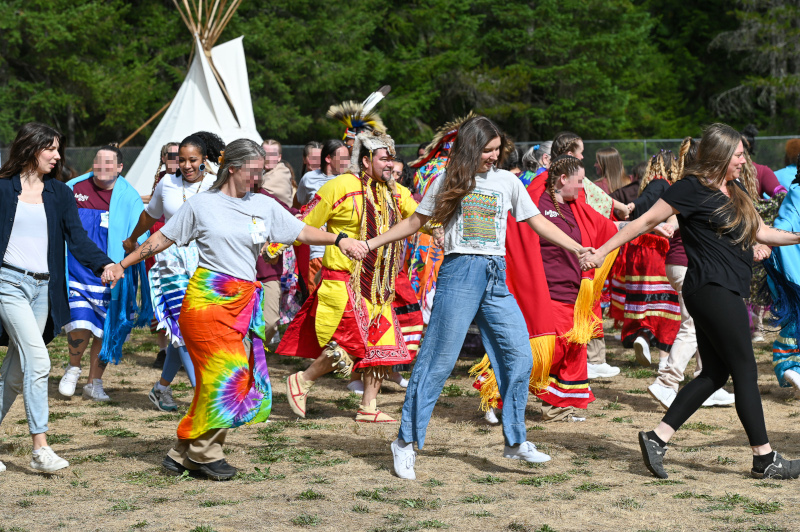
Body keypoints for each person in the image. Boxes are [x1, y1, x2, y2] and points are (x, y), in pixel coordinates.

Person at [103, 138, 363, 480]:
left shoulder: (264, 206)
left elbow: (301, 231)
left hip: (242, 303)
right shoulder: (201, 206)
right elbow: (159, 239)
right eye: (253, 171)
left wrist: (340, 239)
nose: (257, 178)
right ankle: (205, 454)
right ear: (233, 168)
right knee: (229, 378)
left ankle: (181, 452)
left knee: (220, 380)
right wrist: (123, 264)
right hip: (207, 302)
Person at [361, 116, 591, 479]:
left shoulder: (507, 181)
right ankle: (405, 442)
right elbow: (414, 222)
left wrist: (577, 248)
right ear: (471, 147)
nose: (494, 157)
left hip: (496, 276)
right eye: (487, 150)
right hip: (459, 273)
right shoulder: (449, 180)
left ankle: (515, 442)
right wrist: (371, 244)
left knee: (519, 356)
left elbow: (537, 222)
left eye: (498, 150)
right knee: (437, 362)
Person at [582, 123, 800, 480]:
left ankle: (657, 438)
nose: (745, 159)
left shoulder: (738, 188)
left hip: (727, 289)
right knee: (745, 369)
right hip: (710, 289)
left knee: (716, 373)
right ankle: (765, 458)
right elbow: (642, 222)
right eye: (739, 154)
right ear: (720, 156)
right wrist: (600, 252)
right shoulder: (689, 189)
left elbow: (762, 232)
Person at [277, 131, 417, 422]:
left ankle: (368, 407)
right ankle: (302, 380)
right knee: (353, 344)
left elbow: (421, 217)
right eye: (384, 158)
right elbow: (305, 220)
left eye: (392, 158)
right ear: (365, 161)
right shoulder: (340, 186)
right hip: (343, 281)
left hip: (380, 285)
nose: (390, 164)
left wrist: (440, 224)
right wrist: (275, 244)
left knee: (382, 344)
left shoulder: (394, 192)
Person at [0, 122, 115, 473]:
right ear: (30, 148)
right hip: (7, 284)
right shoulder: (3, 189)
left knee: (17, 373)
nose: (56, 155)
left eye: (58, 149)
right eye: (49, 148)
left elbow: (77, 239)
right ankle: (40, 449)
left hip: (42, 290)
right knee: (39, 363)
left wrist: (104, 264)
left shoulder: (60, 193)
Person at [123, 132, 223, 411]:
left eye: (193, 160)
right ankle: (203, 395)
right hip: (171, 262)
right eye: (182, 160)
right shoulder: (166, 183)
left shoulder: (217, 185)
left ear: (205, 160)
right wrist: (133, 240)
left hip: (205, 262)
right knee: (183, 330)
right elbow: (150, 215)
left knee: (192, 331)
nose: (187, 165)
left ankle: (160, 388)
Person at [645, 137, 734, 409]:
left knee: (704, 324)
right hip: (687, 264)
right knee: (692, 325)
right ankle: (666, 382)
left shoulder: (690, 187)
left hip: (680, 263)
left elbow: (673, 219)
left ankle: (707, 380)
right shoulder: (698, 189)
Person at [58, 145, 151, 402]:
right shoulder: (73, 188)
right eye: (98, 162)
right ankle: (73, 368)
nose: (102, 167)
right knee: (79, 321)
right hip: (77, 269)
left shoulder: (128, 195)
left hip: (113, 272)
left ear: (120, 167)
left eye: (109, 163)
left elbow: (139, 233)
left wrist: (129, 252)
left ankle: (94, 382)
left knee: (103, 328)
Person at [295, 139, 351, 293]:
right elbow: (300, 204)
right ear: (328, 158)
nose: (347, 162)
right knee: (317, 300)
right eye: (342, 158)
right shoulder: (309, 179)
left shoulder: (350, 180)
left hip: (344, 251)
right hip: (318, 250)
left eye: (348, 158)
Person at [146, 142, 180, 369]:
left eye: (179, 155)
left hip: (179, 241)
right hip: (157, 236)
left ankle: (180, 347)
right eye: (171, 155)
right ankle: (162, 349)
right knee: (158, 293)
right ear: (163, 157)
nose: (175, 159)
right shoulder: (160, 180)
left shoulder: (190, 181)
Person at [261, 140, 294, 207]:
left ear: (279, 157)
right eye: (265, 154)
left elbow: (257, 191)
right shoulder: (264, 172)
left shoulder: (282, 172)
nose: (268, 158)